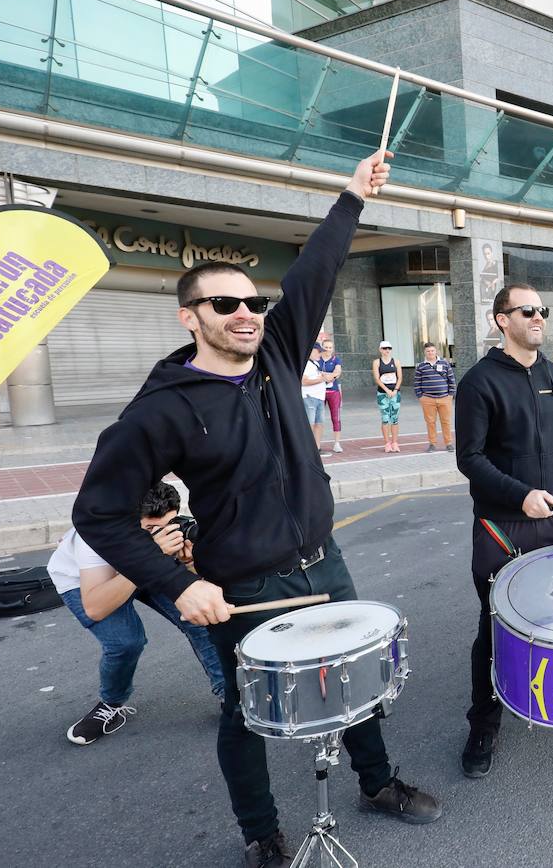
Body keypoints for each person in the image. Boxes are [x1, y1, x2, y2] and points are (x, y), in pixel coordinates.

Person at [71, 152, 441, 868]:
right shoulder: (160, 410)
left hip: (322, 563)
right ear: (190, 316)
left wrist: (350, 196)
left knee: (356, 680)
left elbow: (317, 271)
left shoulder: (275, 350)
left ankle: (377, 783)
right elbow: (100, 515)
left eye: (253, 303)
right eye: (224, 304)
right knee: (248, 718)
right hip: (245, 584)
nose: (246, 314)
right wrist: (181, 584)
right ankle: (260, 832)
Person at [454, 283, 553, 779]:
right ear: (500, 320)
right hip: (502, 523)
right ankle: (483, 724)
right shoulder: (478, 382)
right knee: (496, 626)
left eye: (542, 310)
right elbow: (469, 458)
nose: (537, 317)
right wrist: (519, 495)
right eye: (526, 310)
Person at [51, 482, 225, 746]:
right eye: (151, 529)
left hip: (146, 563)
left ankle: (229, 696)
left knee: (197, 615)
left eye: (169, 523)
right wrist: (151, 554)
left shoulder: (166, 533)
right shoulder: (97, 536)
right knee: (125, 643)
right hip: (89, 583)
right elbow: (96, 608)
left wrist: (188, 561)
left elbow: (193, 586)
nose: (165, 532)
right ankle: (111, 703)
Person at [413, 342, 456, 452]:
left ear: (436, 351)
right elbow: (417, 383)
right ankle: (432, 444)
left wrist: (450, 395)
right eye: (428, 351)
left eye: (432, 350)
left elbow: (451, 380)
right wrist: (420, 397)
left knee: (446, 421)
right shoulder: (421, 367)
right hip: (427, 399)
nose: (430, 353)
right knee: (430, 422)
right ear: (425, 352)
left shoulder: (445, 363)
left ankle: (449, 443)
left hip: (445, 398)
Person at [374, 341, 403, 453]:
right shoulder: (377, 362)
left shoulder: (396, 361)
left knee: (394, 418)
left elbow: (399, 377)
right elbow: (377, 378)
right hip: (382, 394)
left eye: (389, 348)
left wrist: (395, 390)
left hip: (395, 393)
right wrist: (387, 390)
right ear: (380, 349)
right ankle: (387, 443)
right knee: (385, 418)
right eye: (384, 348)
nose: (387, 350)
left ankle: (395, 442)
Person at [301, 344, 328, 454]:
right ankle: (307, 449)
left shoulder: (315, 364)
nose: (320, 354)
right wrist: (321, 379)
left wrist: (324, 378)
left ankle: (317, 448)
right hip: (310, 397)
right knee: (310, 424)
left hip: (319, 397)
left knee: (319, 423)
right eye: (318, 351)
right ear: (311, 351)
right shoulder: (306, 364)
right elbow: (304, 381)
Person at [320, 338, 344, 452]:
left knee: (336, 417)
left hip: (333, 392)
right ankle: (317, 443)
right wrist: (329, 375)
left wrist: (326, 376)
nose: (328, 349)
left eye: (330, 347)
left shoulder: (336, 359)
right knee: (318, 418)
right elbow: (314, 372)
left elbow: (338, 372)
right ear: (322, 347)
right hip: (319, 392)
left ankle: (337, 443)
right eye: (326, 347)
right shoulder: (317, 359)